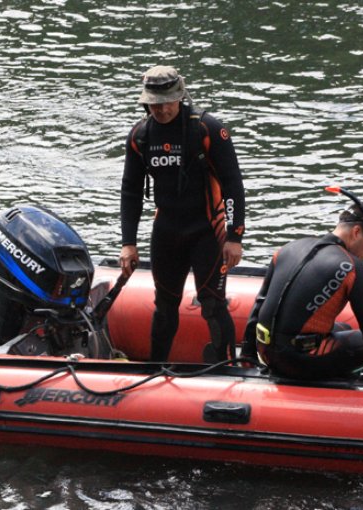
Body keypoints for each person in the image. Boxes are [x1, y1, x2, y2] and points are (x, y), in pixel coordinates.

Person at [119, 65, 245, 363]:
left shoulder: (207, 129)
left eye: (166, 102)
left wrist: (235, 235)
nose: (161, 109)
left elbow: (233, 183)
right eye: (154, 103)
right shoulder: (140, 136)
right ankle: (155, 368)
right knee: (164, 306)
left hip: (207, 232)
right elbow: (131, 192)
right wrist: (128, 243)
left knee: (212, 305)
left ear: (180, 97)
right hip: (167, 232)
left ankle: (226, 367)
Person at [240, 202, 363, 380]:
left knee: (344, 328)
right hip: (297, 361)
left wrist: (247, 356)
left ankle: (342, 379)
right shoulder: (350, 266)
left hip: (266, 352)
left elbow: (260, 304)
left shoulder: (288, 248)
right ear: (356, 232)